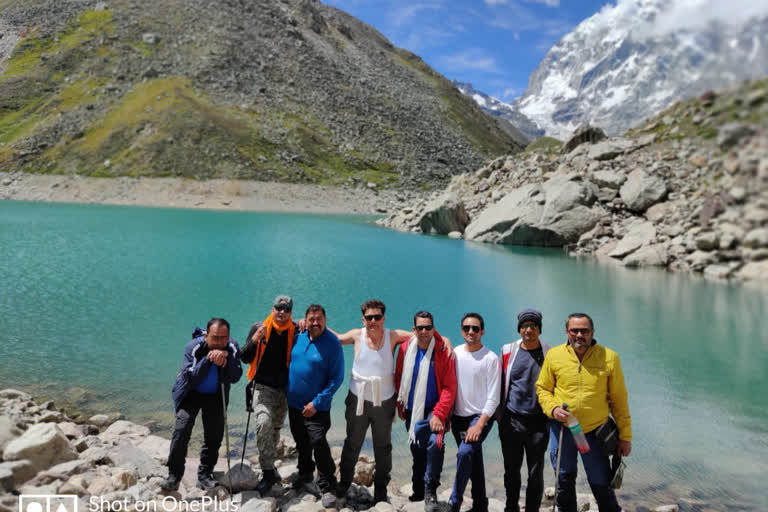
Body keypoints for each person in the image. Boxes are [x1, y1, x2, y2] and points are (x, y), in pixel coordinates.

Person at [536, 313, 632, 512]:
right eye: (575, 330)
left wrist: (625, 437)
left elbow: (619, 400)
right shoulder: (554, 355)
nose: (579, 335)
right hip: (563, 430)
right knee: (564, 480)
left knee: (601, 482)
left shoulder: (609, 358)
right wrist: (553, 408)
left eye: (584, 331)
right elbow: (543, 389)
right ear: (567, 332)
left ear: (592, 333)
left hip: (593, 432)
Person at [332, 299, 414, 504]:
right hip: (357, 399)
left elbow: (422, 335)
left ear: (384, 318)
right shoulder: (356, 335)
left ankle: (380, 490)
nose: (373, 321)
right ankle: (344, 482)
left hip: (384, 401)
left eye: (377, 317)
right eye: (369, 317)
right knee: (352, 443)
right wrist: (311, 324)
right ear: (363, 319)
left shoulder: (392, 336)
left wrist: (445, 340)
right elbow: (337, 339)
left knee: (383, 447)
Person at [162, 318, 243, 491]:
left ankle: (205, 475)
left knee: (214, 436)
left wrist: (226, 359)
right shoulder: (193, 347)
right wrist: (208, 359)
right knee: (181, 430)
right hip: (191, 393)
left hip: (216, 394)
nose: (220, 342)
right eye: (215, 338)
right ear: (207, 335)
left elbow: (236, 377)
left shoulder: (232, 346)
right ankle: (174, 476)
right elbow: (191, 378)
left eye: (224, 338)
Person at [394, 310, 457, 512]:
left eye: (428, 327)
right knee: (417, 448)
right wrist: (400, 405)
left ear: (433, 329)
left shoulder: (441, 350)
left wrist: (439, 414)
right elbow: (399, 377)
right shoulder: (405, 348)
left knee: (435, 444)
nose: (424, 331)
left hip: (434, 408)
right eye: (420, 327)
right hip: (412, 408)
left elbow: (449, 387)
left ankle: (431, 492)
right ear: (414, 329)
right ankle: (418, 490)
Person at [286, 304, 345, 508]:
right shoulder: (298, 334)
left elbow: (337, 378)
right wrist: (296, 322)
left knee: (318, 441)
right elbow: (276, 322)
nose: (315, 323)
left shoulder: (332, 343)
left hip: (317, 407)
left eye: (319, 319)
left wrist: (317, 402)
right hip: (294, 403)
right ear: (306, 320)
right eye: (311, 319)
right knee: (301, 442)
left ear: (325, 320)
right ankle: (304, 474)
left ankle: (327, 484)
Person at [240, 295, 296, 494]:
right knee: (263, 423)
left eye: (286, 309)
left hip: (283, 389)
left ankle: (271, 467)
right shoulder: (259, 328)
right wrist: (255, 339)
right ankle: (267, 472)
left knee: (275, 429)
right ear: (272, 309)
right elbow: (244, 356)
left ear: (291, 312)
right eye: (278, 308)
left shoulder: (296, 330)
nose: (282, 312)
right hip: (261, 387)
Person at [497, 309, 551, 512]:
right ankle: (511, 507)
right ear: (519, 329)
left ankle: (533, 509)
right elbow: (498, 382)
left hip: (539, 423)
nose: (529, 330)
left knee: (535, 472)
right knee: (511, 470)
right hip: (511, 420)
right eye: (525, 326)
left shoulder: (549, 353)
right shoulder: (507, 350)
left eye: (533, 326)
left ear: (539, 329)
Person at [449, 313, 501, 512]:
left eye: (475, 328)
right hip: (458, 418)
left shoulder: (490, 358)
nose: (471, 332)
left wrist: (480, 424)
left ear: (482, 331)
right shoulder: (455, 353)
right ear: (462, 331)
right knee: (473, 458)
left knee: (464, 453)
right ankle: (481, 505)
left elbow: (494, 397)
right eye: (466, 328)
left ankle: (455, 501)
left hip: (481, 417)